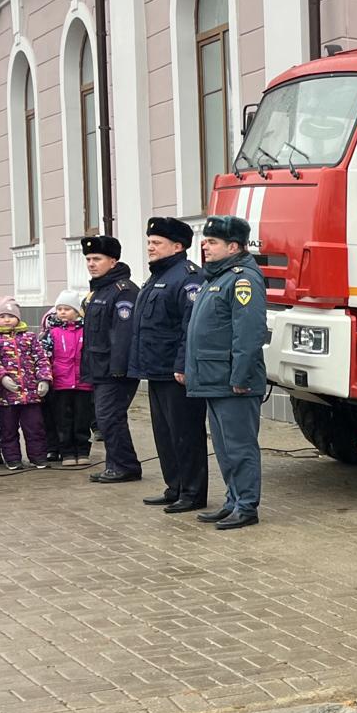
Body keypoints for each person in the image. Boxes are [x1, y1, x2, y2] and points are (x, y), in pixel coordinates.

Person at [182, 215, 268, 530]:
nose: (205, 245)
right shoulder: (215, 278)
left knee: (240, 446)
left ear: (233, 246)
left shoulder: (242, 279)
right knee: (223, 446)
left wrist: (241, 378)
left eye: (213, 241)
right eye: (206, 240)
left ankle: (247, 506)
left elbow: (248, 333)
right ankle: (233, 500)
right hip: (214, 379)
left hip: (233, 382)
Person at [131, 216, 208, 513]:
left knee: (185, 433)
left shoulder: (188, 277)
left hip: (176, 372)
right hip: (155, 369)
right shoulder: (156, 277)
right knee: (164, 434)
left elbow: (190, 328)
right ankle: (174, 486)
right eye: (149, 242)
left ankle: (192, 492)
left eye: (156, 243)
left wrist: (183, 366)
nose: (150, 247)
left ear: (177, 246)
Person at [80, 234, 142, 484]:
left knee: (109, 417)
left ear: (113, 261)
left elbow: (123, 334)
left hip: (114, 370)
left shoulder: (123, 291)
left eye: (97, 258)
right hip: (100, 367)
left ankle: (124, 466)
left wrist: (119, 369)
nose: (91, 263)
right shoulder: (99, 290)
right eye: (88, 259)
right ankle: (118, 464)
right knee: (107, 418)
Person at [0, 297, 52, 470]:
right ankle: (12, 458)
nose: (6, 320)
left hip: (31, 394)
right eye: (2, 316)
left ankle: (38, 456)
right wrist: (2, 377)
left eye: (10, 316)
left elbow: (41, 359)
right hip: (6, 396)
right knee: (8, 429)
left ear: (18, 317)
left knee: (35, 427)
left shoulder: (29, 337)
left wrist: (44, 379)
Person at [42, 290, 94, 466]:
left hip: (83, 382)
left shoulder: (87, 331)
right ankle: (67, 452)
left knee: (82, 419)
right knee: (63, 419)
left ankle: (82, 450)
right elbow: (44, 356)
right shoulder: (52, 333)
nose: (62, 312)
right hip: (61, 383)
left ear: (78, 311)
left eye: (67, 309)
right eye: (59, 309)